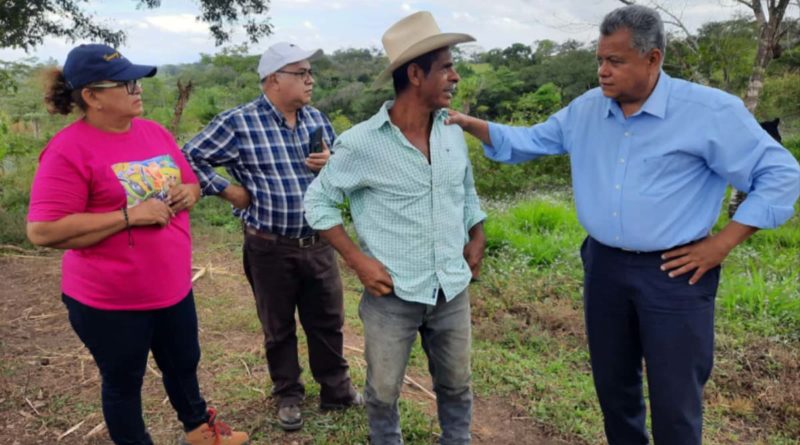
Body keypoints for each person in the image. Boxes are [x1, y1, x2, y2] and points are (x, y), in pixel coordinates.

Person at [445, 5, 800, 445]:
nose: (603, 71)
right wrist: (466, 123)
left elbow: (781, 174)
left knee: (675, 398)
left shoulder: (709, 112)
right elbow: (530, 140)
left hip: (675, 273)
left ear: (653, 59)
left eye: (616, 61)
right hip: (604, 268)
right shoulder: (588, 110)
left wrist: (723, 243)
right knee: (615, 390)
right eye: (600, 60)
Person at [26, 44, 249, 445]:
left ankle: (200, 432)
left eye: (137, 81)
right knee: (123, 382)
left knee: (184, 365)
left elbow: (190, 183)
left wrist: (189, 192)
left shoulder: (154, 132)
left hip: (172, 288)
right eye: (125, 83)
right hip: (109, 302)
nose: (137, 89)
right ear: (92, 97)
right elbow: (43, 230)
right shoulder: (67, 150)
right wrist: (129, 216)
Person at [304, 11, 487, 445]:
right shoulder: (363, 143)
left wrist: (476, 234)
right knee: (384, 392)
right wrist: (359, 262)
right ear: (415, 73)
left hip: (451, 287)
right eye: (446, 67)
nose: (455, 77)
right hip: (393, 294)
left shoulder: (450, 131)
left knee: (457, 383)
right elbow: (318, 202)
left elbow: (466, 192)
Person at [182, 42, 361, 431]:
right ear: (274, 80)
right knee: (278, 325)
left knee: (327, 320)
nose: (311, 79)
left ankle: (336, 389)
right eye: (301, 72)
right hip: (269, 245)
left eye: (311, 72)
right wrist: (228, 190)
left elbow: (344, 173)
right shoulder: (239, 122)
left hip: (318, 242)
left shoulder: (317, 120)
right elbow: (187, 156)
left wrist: (331, 165)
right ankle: (289, 395)